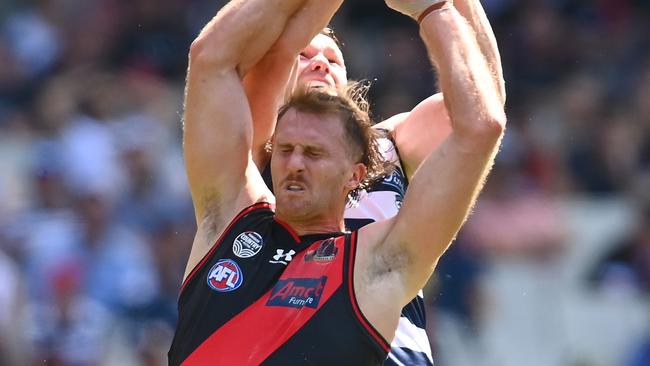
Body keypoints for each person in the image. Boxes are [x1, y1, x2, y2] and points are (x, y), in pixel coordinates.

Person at [168, 0, 506, 364]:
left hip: (383, 335)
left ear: (357, 172)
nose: (320, 63)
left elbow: (480, 106)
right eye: (306, 54)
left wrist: (444, 6)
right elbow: (231, 57)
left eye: (333, 59)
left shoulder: (389, 144)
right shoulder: (254, 155)